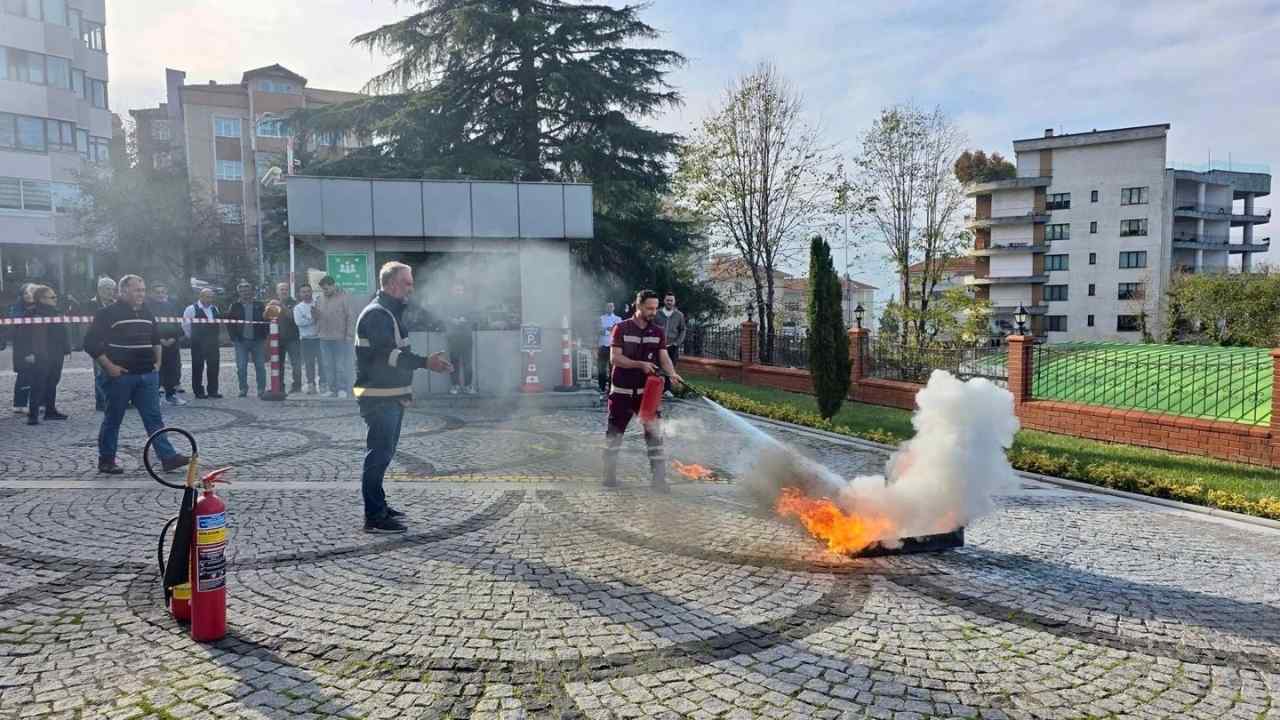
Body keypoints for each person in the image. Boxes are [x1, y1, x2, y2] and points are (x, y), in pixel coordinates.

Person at [354, 262, 452, 533]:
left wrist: (405, 391)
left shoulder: (390, 313)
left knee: (384, 454)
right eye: (407, 283)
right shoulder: (378, 314)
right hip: (378, 396)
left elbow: (394, 355)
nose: (411, 288)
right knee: (379, 454)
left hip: (389, 395)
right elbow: (389, 356)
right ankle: (374, 516)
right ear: (391, 284)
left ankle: (380, 505)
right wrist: (425, 363)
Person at [83, 275, 190, 475]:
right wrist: (109, 366)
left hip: (147, 375)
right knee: (113, 418)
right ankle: (106, 460)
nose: (141, 294)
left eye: (142, 290)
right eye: (136, 290)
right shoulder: (107, 313)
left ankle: (168, 458)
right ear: (123, 291)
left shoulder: (146, 312)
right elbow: (90, 343)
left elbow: (155, 338)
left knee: (154, 418)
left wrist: (157, 363)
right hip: (120, 376)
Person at [603, 289, 683, 491]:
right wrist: (640, 365)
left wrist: (672, 373)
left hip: (647, 394)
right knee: (615, 434)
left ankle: (659, 480)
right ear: (637, 306)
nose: (653, 312)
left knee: (654, 435)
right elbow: (615, 359)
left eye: (655, 308)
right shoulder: (620, 328)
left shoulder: (657, 332)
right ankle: (609, 477)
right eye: (649, 308)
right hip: (621, 392)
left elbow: (664, 357)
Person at [18, 285, 70, 425]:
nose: (55, 299)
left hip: (56, 354)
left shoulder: (56, 312)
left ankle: (50, 411)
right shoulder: (31, 313)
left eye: (55, 297)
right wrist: (28, 353)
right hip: (40, 354)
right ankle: (33, 414)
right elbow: (23, 337)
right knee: (38, 384)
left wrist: (67, 349)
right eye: (52, 297)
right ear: (41, 299)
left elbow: (62, 332)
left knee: (53, 382)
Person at [224, 281, 268, 398]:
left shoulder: (259, 305)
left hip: (257, 340)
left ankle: (261, 389)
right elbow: (229, 323)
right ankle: (243, 388)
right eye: (242, 291)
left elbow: (266, 320)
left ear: (252, 292)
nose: (245, 293)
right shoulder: (234, 306)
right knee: (241, 366)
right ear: (239, 293)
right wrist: (233, 337)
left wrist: (265, 335)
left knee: (260, 366)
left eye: (247, 291)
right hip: (241, 341)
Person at [79, 278, 117, 411]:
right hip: (98, 343)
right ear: (99, 290)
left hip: (114, 344)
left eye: (112, 289)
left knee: (113, 373)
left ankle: (113, 400)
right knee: (100, 374)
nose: (110, 292)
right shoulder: (89, 305)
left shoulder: (116, 304)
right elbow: (85, 325)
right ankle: (101, 402)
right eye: (107, 289)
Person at [314, 276, 353, 398]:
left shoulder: (344, 298)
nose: (325, 291)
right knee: (327, 365)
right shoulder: (320, 299)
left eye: (326, 288)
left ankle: (342, 389)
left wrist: (349, 335)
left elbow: (350, 318)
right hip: (324, 337)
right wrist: (315, 316)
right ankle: (332, 389)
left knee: (340, 365)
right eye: (323, 289)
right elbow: (317, 318)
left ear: (333, 286)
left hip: (340, 338)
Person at [149, 283, 187, 406]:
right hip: (156, 344)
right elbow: (149, 326)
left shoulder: (172, 306)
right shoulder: (148, 307)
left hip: (172, 343)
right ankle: (156, 397)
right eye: (157, 292)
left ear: (166, 294)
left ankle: (171, 395)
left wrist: (173, 338)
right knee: (156, 370)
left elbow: (178, 324)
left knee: (172, 369)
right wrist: (159, 340)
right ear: (152, 294)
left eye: (163, 292)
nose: (160, 295)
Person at [183, 287, 222, 399]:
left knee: (214, 367)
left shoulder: (215, 308)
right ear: (201, 297)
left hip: (213, 343)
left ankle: (213, 390)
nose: (210, 299)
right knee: (197, 367)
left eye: (211, 297)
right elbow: (185, 325)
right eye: (207, 297)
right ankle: (198, 391)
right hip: (198, 343)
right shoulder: (191, 309)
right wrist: (191, 337)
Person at [652, 292, 687, 398]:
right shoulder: (657, 313)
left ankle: (666, 390)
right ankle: (653, 388)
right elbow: (651, 326)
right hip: (658, 346)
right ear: (664, 301)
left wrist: (677, 343)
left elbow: (683, 329)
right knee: (655, 367)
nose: (669, 302)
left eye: (671, 300)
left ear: (674, 302)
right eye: (668, 300)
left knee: (670, 368)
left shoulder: (679, 315)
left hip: (672, 347)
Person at [445, 283, 475, 394]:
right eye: (457, 290)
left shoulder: (469, 303)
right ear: (452, 291)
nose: (459, 292)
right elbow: (443, 316)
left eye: (461, 290)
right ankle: (455, 386)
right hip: (453, 337)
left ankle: (468, 386)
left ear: (463, 291)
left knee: (468, 363)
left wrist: (465, 320)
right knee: (454, 363)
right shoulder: (448, 304)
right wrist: (452, 320)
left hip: (466, 336)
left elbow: (474, 316)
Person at [273, 281, 303, 393]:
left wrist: (282, 306)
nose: (284, 291)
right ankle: (279, 386)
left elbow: (292, 317)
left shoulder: (295, 303)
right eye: (281, 289)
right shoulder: (272, 304)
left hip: (292, 338)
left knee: (296, 364)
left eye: (286, 289)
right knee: (278, 364)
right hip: (277, 339)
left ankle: (297, 386)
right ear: (277, 292)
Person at [293, 283, 320, 394]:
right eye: (303, 292)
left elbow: (321, 318)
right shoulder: (298, 308)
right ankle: (310, 384)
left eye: (308, 291)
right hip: (306, 339)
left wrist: (310, 319)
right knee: (309, 363)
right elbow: (299, 322)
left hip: (319, 338)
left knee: (323, 363)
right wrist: (313, 319)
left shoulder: (318, 304)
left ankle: (323, 383)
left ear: (311, 292)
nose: (306, 294)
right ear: (300, 294)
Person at [597, 301, 622, 397]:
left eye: (611, 306)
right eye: (607, 306)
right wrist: (610, 329)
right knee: (601, 369)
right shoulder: (600, 318)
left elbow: (619, 332)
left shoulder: (618, 319)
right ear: (605, 308)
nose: (609, 308)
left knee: (613, 369)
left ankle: (612, 389)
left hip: (614, 347)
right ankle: (601, 388)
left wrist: (607, 329)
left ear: (614, 307)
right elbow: (599, 331)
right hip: (602, 346)